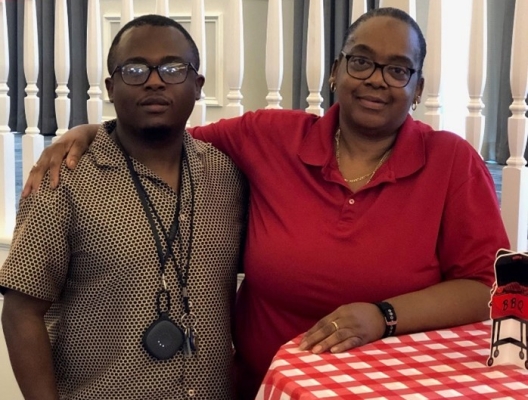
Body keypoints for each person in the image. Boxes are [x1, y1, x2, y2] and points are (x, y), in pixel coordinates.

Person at [22, 7, 510, 400]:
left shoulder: (451, 161)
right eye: (361, 61)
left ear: (418, 88)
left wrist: (383, 315)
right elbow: (164, 131)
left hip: (392, 388)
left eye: (398, 69)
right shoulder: (269, 137)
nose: (377, 79)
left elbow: (484, 286)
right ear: (337, 70)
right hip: (259, 386)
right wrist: (89, 132)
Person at [1, 14, 247, 400]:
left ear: (197, 86)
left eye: (172, 67)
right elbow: (21, 313)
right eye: (135, 69)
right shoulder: (62, 178)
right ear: (111, 88)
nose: (154, 80)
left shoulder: (227, 175)